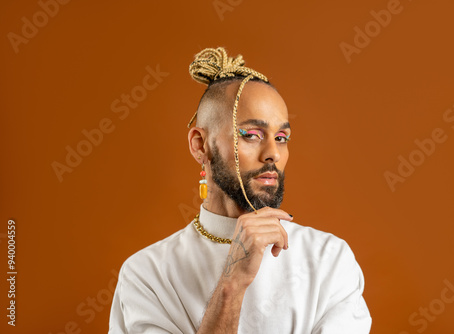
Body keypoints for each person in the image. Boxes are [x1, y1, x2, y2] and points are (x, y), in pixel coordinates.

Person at [109, 47, 372, 333]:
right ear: (201, 145)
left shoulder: (329, 259)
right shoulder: (146, 275)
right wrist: (231, 285)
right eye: (251, 135)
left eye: (282, 137)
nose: (273, 153)